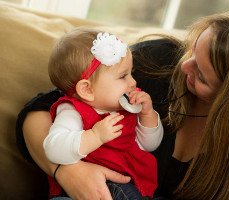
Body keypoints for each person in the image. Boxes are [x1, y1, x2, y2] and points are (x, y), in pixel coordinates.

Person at [16, 8, 229, 200]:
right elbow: (38, 112)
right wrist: (66, 171)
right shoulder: (159, 62)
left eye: (201, 74)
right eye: (192, 50)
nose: (184, 66)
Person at [41, 28, 163, 199]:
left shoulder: (124, 109)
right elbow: (53, 149)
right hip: (94, 189)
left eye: (131, 73)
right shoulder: (73, 112)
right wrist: (95, 136)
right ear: (87, 89)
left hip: (131, 183)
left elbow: (149, 145)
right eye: (123, 76)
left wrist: (147, 115)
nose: (133, 82)